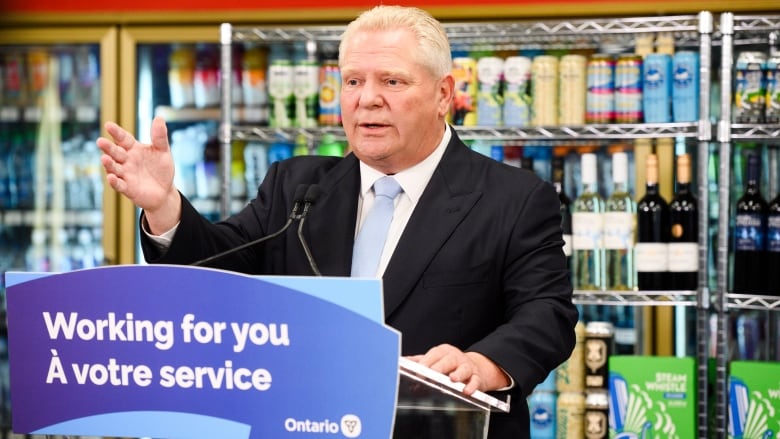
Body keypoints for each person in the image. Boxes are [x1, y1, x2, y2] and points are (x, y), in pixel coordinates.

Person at [97, 6, 578, 438]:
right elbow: (221, 268)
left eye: (392, 81)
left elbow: (547, 316)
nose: (367, 99)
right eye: (352, 81)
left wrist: (482, 362)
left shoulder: (514, 198)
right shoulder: (295, 185)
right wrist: (164, 206)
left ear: (443, 94)